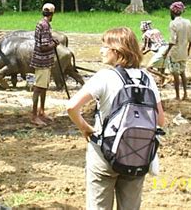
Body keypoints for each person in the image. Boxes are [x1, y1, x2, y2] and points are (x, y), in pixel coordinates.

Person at [67, 27, 165, 210]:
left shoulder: (105, 77)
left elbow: (71, 107)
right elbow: (160, 122)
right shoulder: (148, 79)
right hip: (138, 155)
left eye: (105, 46)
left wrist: (84, 127)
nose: (101, 50)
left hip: (104, 153)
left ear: (117, 51)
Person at [29, 3, 59, 126]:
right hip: (43, 61)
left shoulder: (41, 24)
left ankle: (41, 111)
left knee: (44, 86)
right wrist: (54, 44)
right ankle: (34, 116)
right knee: (38, 88)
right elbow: (43, 47)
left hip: (44, 61)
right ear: (52, 14)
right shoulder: (45, 26)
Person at [163, 1, 191, 100]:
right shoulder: (188, 22)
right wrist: (188, 50)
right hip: (184, 52)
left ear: (172, 12)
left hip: (175, 53)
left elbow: (172, 41)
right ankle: (185, 94)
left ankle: (177, 96)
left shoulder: (173, 23)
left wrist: (166, 52)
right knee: (183, 73)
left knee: (175, 74)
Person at [140, 20, 170, 86]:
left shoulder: (146, 34)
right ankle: (162, 84)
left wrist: (139, 54)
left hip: (161, 50)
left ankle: (166, 77)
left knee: (148, 68)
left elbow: (146, 47)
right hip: (168, 49)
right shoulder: (156, 30)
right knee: (161, 68)